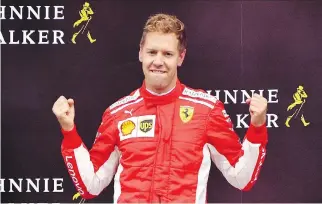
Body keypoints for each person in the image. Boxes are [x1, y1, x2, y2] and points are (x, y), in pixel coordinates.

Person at [52, 13, 268, 203]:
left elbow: (243, 179)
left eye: (167, 54)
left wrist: (257, 128)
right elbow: (90, 186)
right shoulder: (117, 114)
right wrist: (69, 131)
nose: (158, 61)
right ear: (140, 53)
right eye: (152, 52)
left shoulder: (206, 110)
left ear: (180, 57)